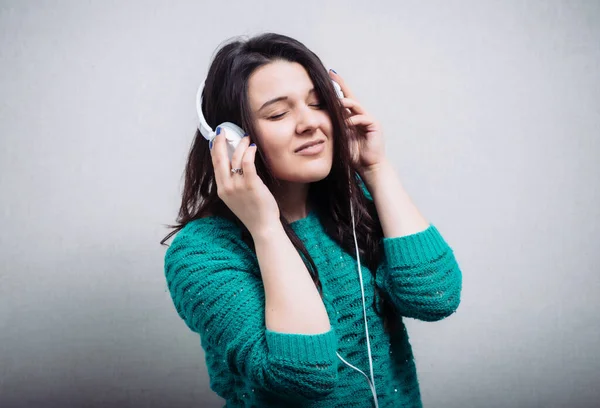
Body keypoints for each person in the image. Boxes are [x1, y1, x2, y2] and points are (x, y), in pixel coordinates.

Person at [162, 32, 462, 408]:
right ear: (233, 140)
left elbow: (435, 297)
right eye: (278, 113)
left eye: (318, 103)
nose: (310, 123)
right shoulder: (201, 253)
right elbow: (304, 375)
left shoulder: (354, 206)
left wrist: (376, 168)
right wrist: (266, 228)